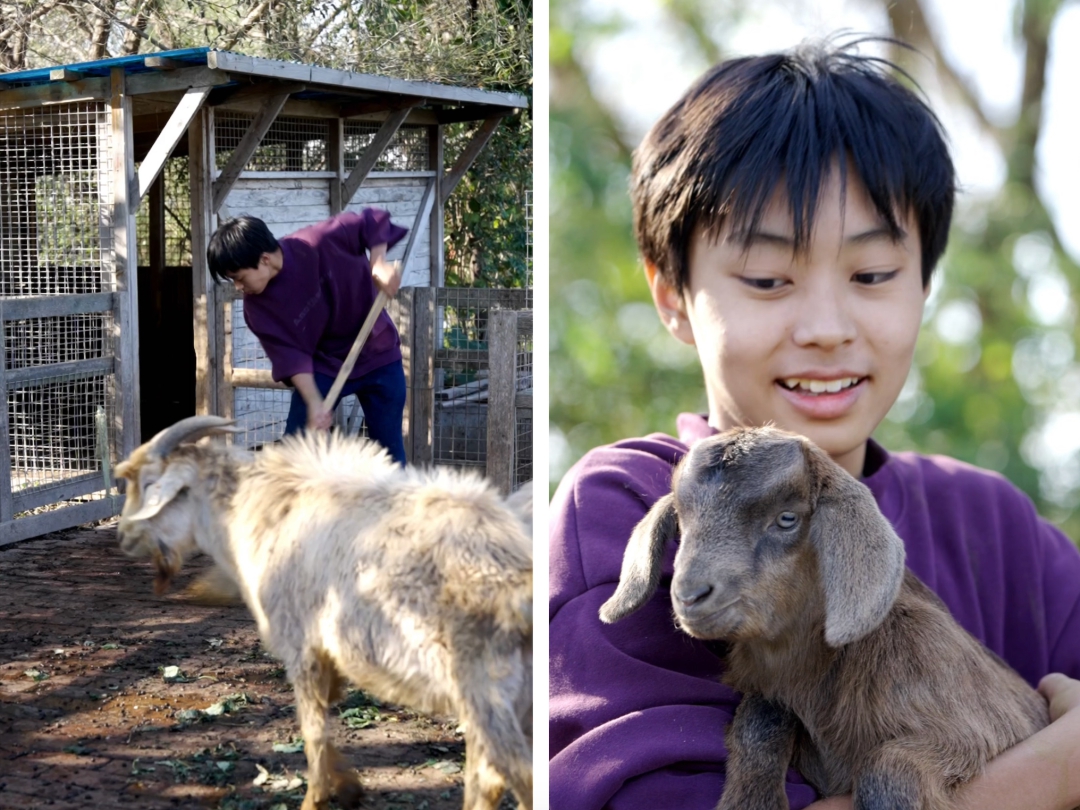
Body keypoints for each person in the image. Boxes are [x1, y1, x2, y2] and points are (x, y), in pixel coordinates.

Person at [549, 39, 1080, 810]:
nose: (828, 327)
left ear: (924, 284)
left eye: (872, 275)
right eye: (768, 279)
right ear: (671, 295)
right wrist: (1058, 769)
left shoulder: (999, 528)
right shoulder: (620, 506)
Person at [207, 210, 409, 465]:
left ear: (265, 259)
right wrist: (315, 403)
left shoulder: (319, 241)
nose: (237, 287)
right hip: (323, 366)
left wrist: (378, 263)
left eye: (238, 277)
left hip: (377, 352)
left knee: (389, 454)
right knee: (296, 451)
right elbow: (291, 357)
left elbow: (372, 220)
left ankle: (398, 502)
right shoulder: (257, 309)